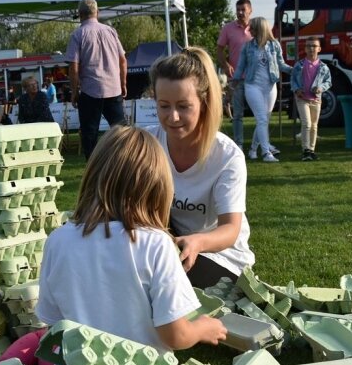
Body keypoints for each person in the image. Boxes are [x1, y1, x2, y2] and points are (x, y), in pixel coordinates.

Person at [35, 125, 227, 353]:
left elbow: (52, 323)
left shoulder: (57, 240)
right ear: (156, 188)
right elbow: (175, 335)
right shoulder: (156, 244)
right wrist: (202, 329)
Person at [149, 47, 255, 288]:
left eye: (183, 106)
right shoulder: (148, 143)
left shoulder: (228, 156)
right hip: (168, 248)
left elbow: (230, 229)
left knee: (167, 282)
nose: (172, 117)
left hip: (221, 258)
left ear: (204, 103)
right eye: (164, 105)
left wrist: (196, 242)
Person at [66, 0, 127, 159]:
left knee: (89, 134)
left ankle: (93, 169)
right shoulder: (111, 31)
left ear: (80, 15)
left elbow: (73, 66)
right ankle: (128, 161)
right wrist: (123, 84)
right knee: (122, 132)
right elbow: (122, 60)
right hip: (113, 89)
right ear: (97, 12)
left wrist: (74, 91)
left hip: (90, 91)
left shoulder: (78, 34)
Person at [234, 17, 292, 163]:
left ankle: (253, 149)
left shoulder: (274, 45)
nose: (249, 30)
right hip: (252, 85)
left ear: (260, 29)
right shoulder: (247, 46)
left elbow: (281, 64)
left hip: (271, 86)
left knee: (263, 120)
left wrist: (295, 69)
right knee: (261, 118)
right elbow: (240, 67)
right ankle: (266, 153)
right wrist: (233, 80)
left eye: (252, 28)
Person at [217, 0, 253, 150]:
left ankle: (261, 144)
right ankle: (239, 143)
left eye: (243, 10)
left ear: (250, 11)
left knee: (261, 115)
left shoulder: (256, 28)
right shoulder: (228, 28)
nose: (239, 12)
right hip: (237, 79)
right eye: (237, 10)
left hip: (255, 78)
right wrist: (225, 64)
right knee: (237, 114)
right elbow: (219, 49)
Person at [290, 36, 331, 161]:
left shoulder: (323, 67)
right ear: (305, 49)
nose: (311, 48)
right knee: (306, 123)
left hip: (316, 99)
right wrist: (297, 89)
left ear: (319, 49)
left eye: (314, 46)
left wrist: (321, 88)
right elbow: (293, 80)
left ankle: (312, 150)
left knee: (314, 125)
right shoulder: (300, 65)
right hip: (302, 98)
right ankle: (305, 150)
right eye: (308, 46)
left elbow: (328, 82)